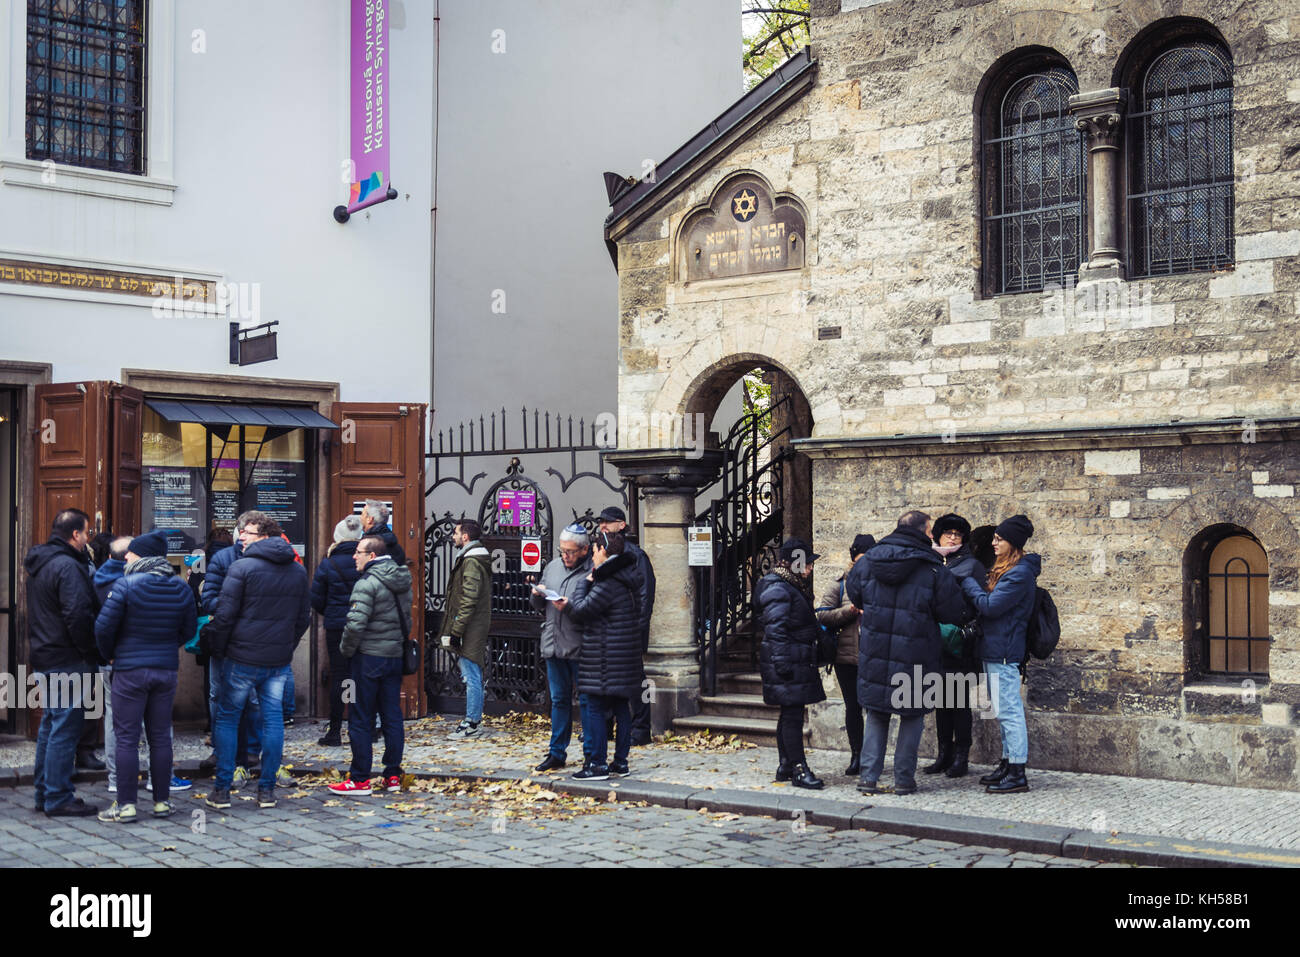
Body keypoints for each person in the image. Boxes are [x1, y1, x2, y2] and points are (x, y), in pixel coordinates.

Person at [847, 510, 966, 796]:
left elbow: (854, 594)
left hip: (875, 652)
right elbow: (952, 611)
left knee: (876, 713)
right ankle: (903, 779)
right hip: (918, 654)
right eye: (930, 532)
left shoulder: (869, 561)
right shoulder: (933, 567)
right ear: (923, 532)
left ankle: (869, 776)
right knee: (912, 716)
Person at [203, 512, 310, 811]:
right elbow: (304, 617)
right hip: (276, 659)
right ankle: (266, 791)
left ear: (265, 535)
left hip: (241, 657)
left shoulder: (242, 567)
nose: (241, 536)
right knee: (272, 719)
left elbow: (224, 616)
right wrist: (286, 645)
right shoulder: (297, 570)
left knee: (227, 717)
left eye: (247, 532)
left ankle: (222, 789)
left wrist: (218, 644)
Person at [94, 531, 197, 822]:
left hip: (129, 671)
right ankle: (161, 802)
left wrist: (111, 654)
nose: (126, 556)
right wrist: (165, 646)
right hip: (165, 671)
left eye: (131, 552)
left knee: (126, 738)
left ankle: (126, 805)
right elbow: (189, 630)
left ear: (142, 557)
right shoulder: (180, 588)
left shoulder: (125, 585)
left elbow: (103, 628)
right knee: (160, 737)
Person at [958, 514, 1041, 794]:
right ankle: (1008, 763)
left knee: (1010, 712)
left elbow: (991, 606)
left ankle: (1017, 772)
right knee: (1003, 710)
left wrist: (969, 583)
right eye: (994, 538)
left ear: (1013, 543)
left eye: (999, 539)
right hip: (995, 649)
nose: (993, 542)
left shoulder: (1018, 574)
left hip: (1005, 650)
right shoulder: (1008, 569)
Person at [27, 508, 100, 817]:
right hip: (67, 658)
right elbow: (78, 616)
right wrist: (90, 653)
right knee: (64, 729)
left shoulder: (41, 564)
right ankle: (57, 796)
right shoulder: (68, 567)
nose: (87, 539)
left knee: (51, 725)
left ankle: (45, 792)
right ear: (75, 535)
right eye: (86, 533)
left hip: (46, 655)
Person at [327, 536, 412, 796]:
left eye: (358, 552)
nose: (354, 556)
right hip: (393, 656)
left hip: (367, 659)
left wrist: (345, 651)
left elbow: (354, 624)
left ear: (372, 556)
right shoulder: (402, 579)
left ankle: (360, 778)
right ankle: (393, 775)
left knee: (360, 717)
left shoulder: (367, 583)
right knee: (392, 717)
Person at [555, 529, 641, 780]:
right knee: (620, 707)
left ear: (603, 551)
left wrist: (583, 584)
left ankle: (597, 765)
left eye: (594, 552)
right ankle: (621, 763)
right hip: (623, 655)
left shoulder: (608, 580)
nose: (592, 557)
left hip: (604, 656)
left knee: (593, 707)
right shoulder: (627, 577)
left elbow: (582, 610)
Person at [755, 537, 826, 790]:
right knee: (793, 715)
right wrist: (783, 663)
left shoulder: (789, 585)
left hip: (794, 657)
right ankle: (798, 769)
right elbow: (776, 629)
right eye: (807, 563)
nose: (810, 568)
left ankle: (786, 764)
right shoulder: (779, 588)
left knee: (790, 713)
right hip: (787, 659)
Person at [924, 513, 988, 779]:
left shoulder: (971, 565)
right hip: (935, 641)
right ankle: (943, 754)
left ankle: (961, 755)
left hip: (960, 642)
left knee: (959, 701)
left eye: (958, 534)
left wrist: (968, 629)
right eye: (948, 532)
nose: (952, 537)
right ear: (937, 535)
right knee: (941, 701)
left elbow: (979, 600)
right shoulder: (931, 561)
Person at [528, 523, 593, 772]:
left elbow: (594, 609)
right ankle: (556, 752)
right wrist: (538, 593)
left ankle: (590, 753)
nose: (565, 555)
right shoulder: (553, 567)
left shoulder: (592, 571)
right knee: (558, 700)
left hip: (579, 645)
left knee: (586, 701)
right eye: (562, 550)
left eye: (571, 551)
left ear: (585, 550)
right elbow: (538, 606)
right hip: (553, 643)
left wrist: (570, 608)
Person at [596, 506, 655, 744]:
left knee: (635, 681)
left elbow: (645, 594)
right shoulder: (601, 553)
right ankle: (607, 725)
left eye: (608, 522)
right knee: (606, 679)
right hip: (607, 630)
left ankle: (641, 729)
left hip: (628, 629)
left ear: (621, 525)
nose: (603, 526)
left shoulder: (635, 556)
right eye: (601, 522)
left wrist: (638, 628)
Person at [816, 534, 874, 775]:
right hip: (846, 657)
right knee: (853, 707)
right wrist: (849, 611)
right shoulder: (839, 584)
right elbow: (822, 615)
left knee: (875, 708)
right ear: (853, 559)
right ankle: (857, 755)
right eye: (860, 558)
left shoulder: (881, 583)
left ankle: (873, 756)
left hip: (874, 656)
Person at [310, 516, 364, 746]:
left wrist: (332, 613)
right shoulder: (367, 559)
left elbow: (316, 599)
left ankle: (335, 730)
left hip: (337, 626)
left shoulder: (328, 563)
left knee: (340, 677)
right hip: (363, 626)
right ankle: (360, 727)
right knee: (360, 676)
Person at [440, 519, 491, 739]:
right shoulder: (472, 559)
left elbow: (469, 598)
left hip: (470, 627)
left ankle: (471, 723)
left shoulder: (471, 561)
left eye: (455, 532)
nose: (453, 536)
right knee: (472, 674)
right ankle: (473, 721)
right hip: (472, 625)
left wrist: (456, 630)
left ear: (466, 537)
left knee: (471, 676)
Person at [360, 500, 407, 566]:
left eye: (362, 514)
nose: (360, 518)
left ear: (369, 519)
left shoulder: (368, 545)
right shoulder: (395, 545)